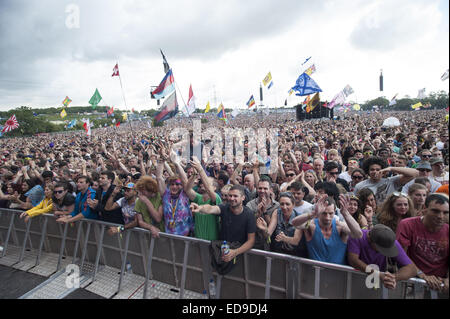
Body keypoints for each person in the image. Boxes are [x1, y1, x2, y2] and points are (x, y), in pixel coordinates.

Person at [396, 193, 449, 293]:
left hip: (439, 284)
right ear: (425, 208)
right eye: (435, 211)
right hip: (412, 280)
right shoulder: (407, 224)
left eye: (445, 213)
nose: (440, 216)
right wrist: (421, 274)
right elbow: (402, 255)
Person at [190, 185, 256, 262]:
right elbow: (211, 208)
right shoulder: (225, 207)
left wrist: (235, 252)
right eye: (230, 196)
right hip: (223, 252)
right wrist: (200, 208)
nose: (231, 198)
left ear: (243, 198)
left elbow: (251, 241)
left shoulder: (249, 214)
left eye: (235, 196)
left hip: (240, 254)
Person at [291, 194, 363, 265]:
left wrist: (345, 213)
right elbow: (295, 223)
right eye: (324, 213)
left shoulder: (340, 226)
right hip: (315, 273)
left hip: (337, 273)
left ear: (335, 211)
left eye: (330, 213)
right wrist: (313, 214)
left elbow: (358, 234)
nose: (327, 217)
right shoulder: (312, 225)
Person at [347, 224, 416, 290]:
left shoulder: (391, 242)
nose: (385, 252)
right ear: (371, 240)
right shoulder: (358, 235)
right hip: (350, 280)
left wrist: (392, 278)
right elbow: (353, 260)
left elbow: (411, 268)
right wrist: (378, 275)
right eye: (382, 249)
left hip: (374, 285)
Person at [184, 157, 221, 241]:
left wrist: (200, 169)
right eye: (203, 181)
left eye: (206, 182)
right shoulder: (198, 198)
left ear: (214, 188)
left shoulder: (216, 198)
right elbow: (187, 189)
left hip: (211, 242)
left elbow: (209, 189)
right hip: (198, 240)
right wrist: (194, 174)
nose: (203, 183)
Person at [354, 156, 418, 205]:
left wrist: (391, 168)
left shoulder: (391, 181)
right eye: (372, 169)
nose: (375, 172)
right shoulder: (360, 186)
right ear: (368, 171)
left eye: (378, 169)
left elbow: (415, 173)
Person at [246, 178, 279, 250]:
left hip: (271, 245)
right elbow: (248, 225)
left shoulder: (277, 205)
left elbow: (273, 227)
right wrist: (257, 214)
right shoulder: (250, 204)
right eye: (260, 188)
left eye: (265, 188)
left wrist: (264, 212)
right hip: (255, 243)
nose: (262, 191)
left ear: (270, 190)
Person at [269, 192, 305, 256]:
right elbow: (268, 233)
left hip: (294, 255)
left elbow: (296, 241)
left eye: (287, 204)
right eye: (282, 204)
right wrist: (264, 229)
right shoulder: (277, 212)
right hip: (278, 253)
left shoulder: (299, 217)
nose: (284, 207)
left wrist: (284, 238)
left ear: (293, 205)